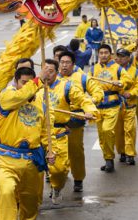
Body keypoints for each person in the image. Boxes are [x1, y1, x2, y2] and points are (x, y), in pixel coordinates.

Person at [0, 66, 53, 220]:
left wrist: (50, 150)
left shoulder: (41, 102)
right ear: (16, 82)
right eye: (23, 82)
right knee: (6, 191)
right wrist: (36, 82)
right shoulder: (8, 96)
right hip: (6, 158)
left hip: (31, 159)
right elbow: (20, 96)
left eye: (29, 81)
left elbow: (45, 131)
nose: (26, 86)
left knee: (29, 196)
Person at [37, 59, 97, 203]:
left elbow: (84, 100)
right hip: (37, 132)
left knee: (59, 169)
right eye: (45, 71)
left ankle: (56, 187)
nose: (47, 74)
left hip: (58, 133)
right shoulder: (34, 86)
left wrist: (89, 110)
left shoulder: (67, 86)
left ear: (57, 72)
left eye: (51, 71)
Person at [58, 51, 103, 192]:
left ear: (73, 64)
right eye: (62, 62)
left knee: (76, 151)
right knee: (56, 152)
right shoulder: (52, 78)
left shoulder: (82, 78)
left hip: (74, 121)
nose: (64, 65)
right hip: (56, 121)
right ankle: (56, 177)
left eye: (67, 62)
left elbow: (98, 92)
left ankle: (78, 178)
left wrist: (89, 104)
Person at [89, 44, 134, 173]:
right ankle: (108, 159)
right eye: (101, 52)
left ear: (110, 54)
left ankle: (110, 158)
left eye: (106, 52)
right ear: (98, 54)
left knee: (107, 130)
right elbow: (87, 82)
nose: (103, 55)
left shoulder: (117, 68)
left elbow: (128, 80)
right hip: (98, 106)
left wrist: (121, 83)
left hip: (113, 105)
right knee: (102, 135)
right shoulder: (93, 69)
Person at [114, 48, 138, 165]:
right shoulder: (114, 70)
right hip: (116, 106)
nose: (120, 59)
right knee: (119, 131)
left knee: (129, 130)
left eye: (123, 56)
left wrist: (131, 93)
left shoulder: (135, 72)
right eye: (119, 56)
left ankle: (130, 154)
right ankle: (121, 152)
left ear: (128, 58)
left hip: (130, 105)